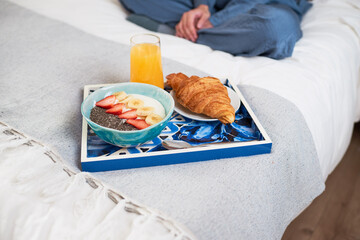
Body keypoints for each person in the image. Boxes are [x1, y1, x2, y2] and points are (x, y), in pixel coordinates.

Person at [119, 0, 312, 59]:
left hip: (271, 6)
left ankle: (183, 31)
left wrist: (215, 20)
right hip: (216, 5)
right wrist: (203, 7)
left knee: (273, 30)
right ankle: (193, 24)